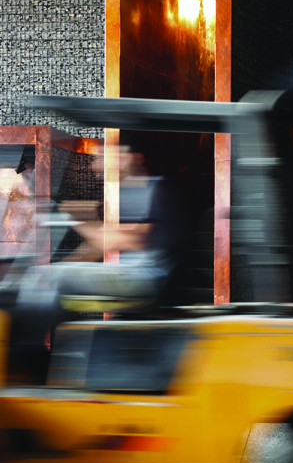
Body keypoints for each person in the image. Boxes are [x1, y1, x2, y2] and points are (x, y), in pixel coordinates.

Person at [12, 143, 184, 347]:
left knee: (51, 279)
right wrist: (58, 265)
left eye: (103, 157)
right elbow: (98, 245)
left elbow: (122, 240)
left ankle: (25, 358)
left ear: (131, 158)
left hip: (146, 277)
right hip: (134, 272)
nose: (96, 165)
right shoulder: (130, 191)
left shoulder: (154, 189)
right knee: (46, 277)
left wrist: (70, 216)